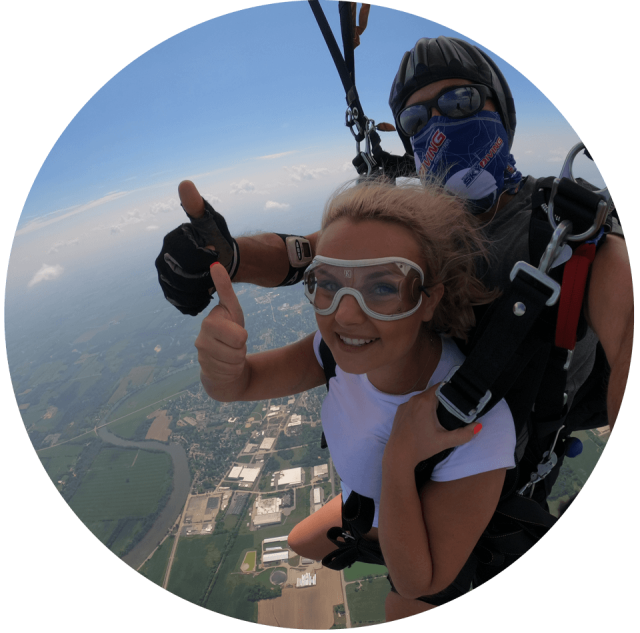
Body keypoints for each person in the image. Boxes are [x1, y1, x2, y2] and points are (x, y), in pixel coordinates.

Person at [156, 35, 632, 609]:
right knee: (306, 541)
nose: (439, 126)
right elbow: (312, 255)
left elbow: (627, 335)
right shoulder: (415, 230)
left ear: (498, 112)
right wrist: (224, 258)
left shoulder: (567, 230)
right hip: (404, 446)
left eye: (459, 102)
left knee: (404, 600)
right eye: (416, 118)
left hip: (482, 468)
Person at [196, 178, 517, 620]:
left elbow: (417, 581)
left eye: (383, 287)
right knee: (296, 542)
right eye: (326, 284)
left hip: (416, 538)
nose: (343, 314)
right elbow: (240, 385)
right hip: (363, 509)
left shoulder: (477, 424)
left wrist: (400, 458)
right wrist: (221, 368)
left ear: (429, 300)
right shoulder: (332, 352)